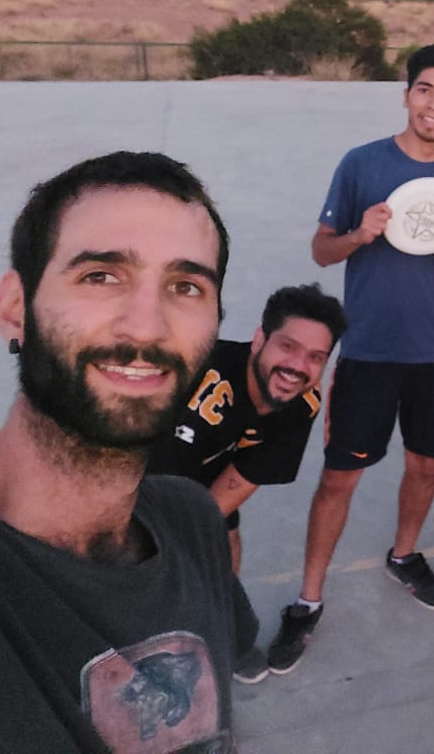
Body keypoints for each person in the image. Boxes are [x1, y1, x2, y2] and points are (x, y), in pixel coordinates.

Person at [0, 151, 255, 753]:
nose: (146, 328)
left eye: (185, 286)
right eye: (101, 275)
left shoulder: (194, 520)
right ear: (15, 307)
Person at [268, 43, 434, 675]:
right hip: (367, 351)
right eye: (424, 90)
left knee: (425, 466)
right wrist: (359, 235)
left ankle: (405, 554)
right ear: (406, 95)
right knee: (340, 477)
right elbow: (320, 252)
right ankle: (307, 599)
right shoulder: (361, 164)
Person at [147, 282, 344, 684]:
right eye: (287, 346)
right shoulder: (202, 381)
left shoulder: (301, 402)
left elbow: (239, 481)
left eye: (315, 357)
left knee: (223, 536)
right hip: (144, 462)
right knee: (151, 562)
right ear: (259, 339)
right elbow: (158, 492)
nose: (297, 366)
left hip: (210, 463)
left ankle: (222, 624)